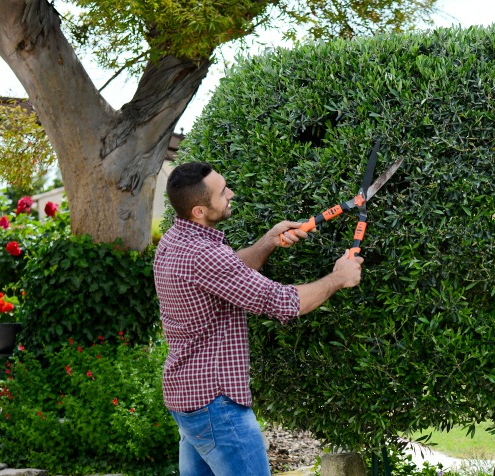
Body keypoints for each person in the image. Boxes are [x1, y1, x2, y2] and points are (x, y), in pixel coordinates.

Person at [153, 161, 363, 476]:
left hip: (188, 398)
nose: (231, 194)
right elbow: (282, 302)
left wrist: (268, 242)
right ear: (199, 210)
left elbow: (226, 274)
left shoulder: (175, 241)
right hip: (217, 405)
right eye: (223, 192)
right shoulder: (205, 256)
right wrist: (338, 278)